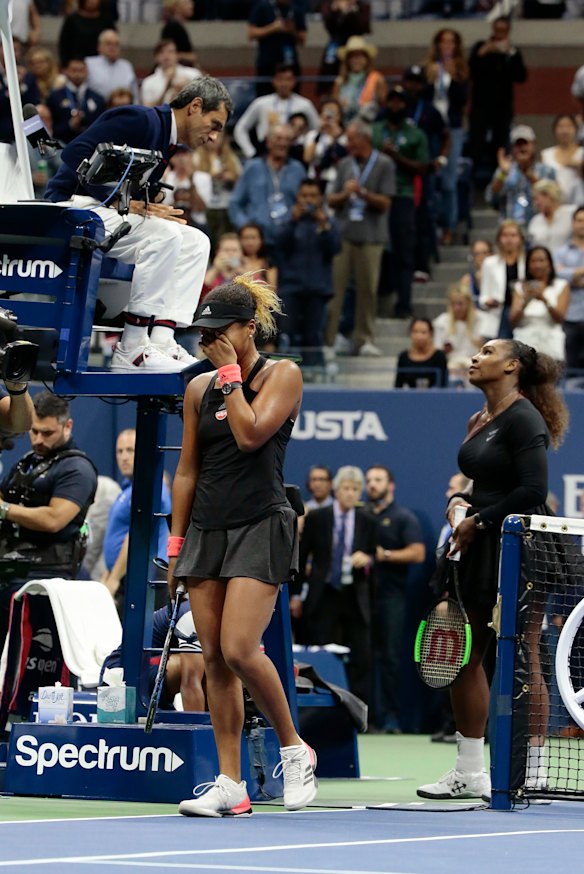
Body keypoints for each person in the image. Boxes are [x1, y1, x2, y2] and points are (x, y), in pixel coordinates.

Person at [168, 276, 317, 817]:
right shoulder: (196, 388)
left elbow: (251, 435)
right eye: (202, 333)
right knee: (212, 660)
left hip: (261, 523)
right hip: (207, 531)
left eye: (218, 331)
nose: (207, 341)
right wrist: (178, 542)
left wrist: (230, 375)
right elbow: (187, 470)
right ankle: (231, 782)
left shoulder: (284, 374)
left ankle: (294, 749)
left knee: (237, 647)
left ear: (248, 329)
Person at [417, 339, 569, 800]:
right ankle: (470, 770)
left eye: (486, 351)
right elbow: (479, 482)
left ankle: (539, 770)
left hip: (515, 543)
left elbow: (533, 489)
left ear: (511, 366)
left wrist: (480, 520)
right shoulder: (477, 420)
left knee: (523, 651)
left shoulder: (525, 419)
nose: (475, 357)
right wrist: (458, 502)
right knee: (464, 654)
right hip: (476, 543)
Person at [45, 77, 232, 373]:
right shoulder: (140, 119)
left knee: (198, 242)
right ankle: (131, 347)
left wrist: (149, 195)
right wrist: (121, 201)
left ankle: (162, 340)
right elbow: (74, 153)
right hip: (71, 206)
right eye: (214, 124)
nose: (213, 137)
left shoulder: (168, 141)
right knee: (165, 235)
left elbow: (130, 179)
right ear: (195, 106)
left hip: (104, 211)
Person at [0, 392, 98, 647]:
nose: (38, 440)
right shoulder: (25, 463)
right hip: (10, 572)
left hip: (46, 578)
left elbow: (54, 519)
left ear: (68, 426)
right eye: (34, 432)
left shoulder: (77, 468)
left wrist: (4, 509)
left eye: (47, 433)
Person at [292, 465, 377, 705]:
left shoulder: (367, 520)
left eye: (355, 489)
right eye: (346, 488)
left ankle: (359, 710)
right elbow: (302, 555)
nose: (351, 493)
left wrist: (368, 558)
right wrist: (296, 595)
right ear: (337, 490)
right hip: (323, 593)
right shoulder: (319, 517)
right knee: (321, 650)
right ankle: (322, 706)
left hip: (355, 594)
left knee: (361, 655)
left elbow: (373, 554)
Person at [325, 118, 394, 357]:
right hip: (344, 235)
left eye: (352, 139)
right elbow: (331, 200)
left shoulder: (384, 164)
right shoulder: (344, 164)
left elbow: (386, 202)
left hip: (371, 237)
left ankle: (364, 339)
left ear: (365, 139)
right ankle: (329, 341)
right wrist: (346, 194)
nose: (348, 143)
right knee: (335, 290)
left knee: (368, 291)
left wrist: (362, 193)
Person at [364, 465, 425, 734]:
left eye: (378, 480)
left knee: (390, 658)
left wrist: (383, 555)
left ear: (390, 485)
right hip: (361, 598)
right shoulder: (360, 515)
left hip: (392, 597)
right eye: (369, 480)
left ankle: (390, 718)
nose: (372, 485)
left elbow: (417, 553)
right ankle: (366, 717)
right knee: (363, 659)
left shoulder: (403, 517)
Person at [373, 84, 430, 319]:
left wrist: (395, 156)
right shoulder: (376, 130)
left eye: (400, 101)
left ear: (405, 105)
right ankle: (379, 298)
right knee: (376, 251)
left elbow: (423, 167)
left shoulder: (415, 134)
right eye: (391, 101)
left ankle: (404, 303)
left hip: (402, 196)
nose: (395, 105)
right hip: (375, 197)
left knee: (404, 251)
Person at [275, 178, 341, 365]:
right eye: (304, 195)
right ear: (297, 197)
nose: (308, 200)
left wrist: (325, 226)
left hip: (318, 290)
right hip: (291, 289)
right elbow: (278, 244)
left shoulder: (328, 222)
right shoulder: (288, 220)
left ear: (320, 198)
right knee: (288, 336)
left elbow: (335, 248)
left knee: (313, 337)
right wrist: (292, 222)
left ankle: (314, 377)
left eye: (313, 196)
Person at [102, 428, 172, 602]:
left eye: (130, 450)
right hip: (128, 576)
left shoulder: (152, 489)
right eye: (120, 451)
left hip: (147, 575)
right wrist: (109, 573)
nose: (124, 457)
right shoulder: (128, 490)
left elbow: (138, 534)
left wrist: (114, 578)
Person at [101, 599, 206, 711]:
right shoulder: (193, 615)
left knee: (214, 664)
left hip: (153, 667)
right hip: (120, 673)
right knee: (201, 666)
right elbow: (190, 683)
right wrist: (201, 726)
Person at [422, 28, 469, 245]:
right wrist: (430, 82)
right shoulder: (430, 68)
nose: (447, 46)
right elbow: (421, 98)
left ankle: (449, 226)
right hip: (431, 129)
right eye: (443, 42)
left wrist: (453, 78)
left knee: (449, 182)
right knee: (431, 180)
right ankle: (432, 225)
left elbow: (461, 101)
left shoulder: (460, 71)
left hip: (452, 129)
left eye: (451, 42)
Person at [467, 16, 528, 181]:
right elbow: (469, 72)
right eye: (497, 30)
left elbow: (521, 76)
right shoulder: (481, 47)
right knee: (476, 145)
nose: (500, 34)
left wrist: (510, 53)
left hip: (502, 108)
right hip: (481, 106)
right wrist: (483, 52)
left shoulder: (512, 52)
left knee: (500, 146)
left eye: (503, 31)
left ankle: (498, 182)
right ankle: (470, 181)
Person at [228, 124, 305, 251]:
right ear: (268, 142)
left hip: (290, 238)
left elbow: (305, 200)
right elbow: (235, 203)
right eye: (279, 138)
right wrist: (246, 227)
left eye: (287, 139)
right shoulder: (253, 168)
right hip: (258, 242)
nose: (283, 144)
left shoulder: (298, 170)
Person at [233, 65, 319, 160]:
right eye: (280, 79)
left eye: (287, 79)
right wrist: (251, 152)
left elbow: (317, 130)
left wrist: (308, 147)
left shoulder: (305, 105)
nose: (284, 84)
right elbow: (240, 129)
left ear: (294, 82)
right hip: (265, 152)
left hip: (295, 154)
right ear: (274, 81)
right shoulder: (261, 103)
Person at [487, 125, 556, 227]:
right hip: (511, 231)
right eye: (518, 145)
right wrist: (502, 174)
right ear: (512, 148)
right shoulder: (504, 170)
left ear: (533, 145)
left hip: (540, 228)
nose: (522, 148)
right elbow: (491, 199)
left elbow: (553, 200)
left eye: (525, 143)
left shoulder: (546, 171)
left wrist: (528, 173)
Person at [510, 246, 570, 361]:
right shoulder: (519, 287)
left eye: (541, 260)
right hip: (525, 341)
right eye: (533, 261)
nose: (537, 265)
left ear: (550, 263)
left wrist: (544, 299)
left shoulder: (561, 285)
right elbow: (513, 322)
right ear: (528, 265)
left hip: (551, 343)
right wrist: (526, 301)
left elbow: (559, 318)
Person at [478, 219, 526, 341]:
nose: (509, 239)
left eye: (513, 235)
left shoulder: (527, 261)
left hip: (522, 311)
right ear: (499, 238)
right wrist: (488, 302)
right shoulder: (489, 263)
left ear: (520, 238)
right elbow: (483, 296)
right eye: (505, 235)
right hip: (499, 311)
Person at [248, 0, 307, 96]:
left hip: (289, 62)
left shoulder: (296, 9)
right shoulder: (263, 7)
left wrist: (292, 30)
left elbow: (303, 39)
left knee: (293, 96)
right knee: (264, 96)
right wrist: (272, 28)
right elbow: (251, 34)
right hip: (267, 63)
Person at [193, 137, 242, 246]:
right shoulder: (197, 157)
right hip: (207, 207)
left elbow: (241, 182)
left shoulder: (231, 158)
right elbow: (194, 178)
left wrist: (231, 178)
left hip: (227, 206)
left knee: (226, 239)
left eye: (220, 137)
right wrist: (213, 176)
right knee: (208, 241)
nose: (215, 140)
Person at [46, 57, 106, 144]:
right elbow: (50, 128)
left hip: (90, 145)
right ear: (66, 71)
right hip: (62, 144)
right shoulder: (55, 97)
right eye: (74, 70)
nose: (77, 74)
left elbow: (101, 127)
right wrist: (69, 125)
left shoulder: (97, 98)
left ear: (87, 72)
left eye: (81, 70)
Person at [331, 36, 387, 127]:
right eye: (353, 57)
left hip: (369, 125)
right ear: (347, 60)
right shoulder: (339, 82)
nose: (356, 60)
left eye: (360, 56)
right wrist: (340, 105)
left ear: (367, 59)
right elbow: (333, 106)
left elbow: (384, 106)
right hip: (344, 124)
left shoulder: (377, 79)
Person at [433, 283, 482, 386]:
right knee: (453, 369)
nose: (457, 308)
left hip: (473, 363)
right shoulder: (441, 322)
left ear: (468, 303)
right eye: (453, 304)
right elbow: (437, 350)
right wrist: (444, 350)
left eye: (460, 304)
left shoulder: (480, 320)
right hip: (451, 363)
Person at [554, 206, 584, 372]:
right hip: (569, 315)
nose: (582, 224)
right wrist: (578, 273)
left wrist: (570, 273)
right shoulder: (561, 252)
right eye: (579, 220)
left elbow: (565, 274)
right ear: (573, 223)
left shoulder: (563, 257)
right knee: (569, 368)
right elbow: (557, 275)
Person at [303, 97, 348, 195]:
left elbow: (343, 160)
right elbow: (307, 158)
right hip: (314, 180)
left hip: (334, 180)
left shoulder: (345, 137)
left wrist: (336, 137)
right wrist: (319, 132)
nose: (329, 116)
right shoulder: (313, 135)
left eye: (333, 113)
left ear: (339, 116)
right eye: (327, 112)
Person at [140, 40, 201, 107]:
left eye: (170, 51)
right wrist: (167, 87)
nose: (166, 55)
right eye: (161, 52)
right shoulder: (148, 82)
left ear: (177, 55)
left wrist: (187, 88)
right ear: (156, 57)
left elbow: (204, 100)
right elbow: (148, 109)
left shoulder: (193, 74)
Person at [85, 30, 139, 105]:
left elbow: (135, 95)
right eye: (108, 44)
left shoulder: (126, 66)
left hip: (122, 110)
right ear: (99, 46)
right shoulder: (89, 64)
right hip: (95, 110)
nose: (113, 47)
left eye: (116, 44)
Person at [540, 114, 584, 205]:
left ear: (575, 129)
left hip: (579, 206)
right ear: (554, 130)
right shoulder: (546, 154)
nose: (565, 131)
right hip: (554, 206)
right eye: (561, 126)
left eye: (569, 126)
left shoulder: (582, 153)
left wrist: (579, 165)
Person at [57, 0, 115, 68]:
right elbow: (64, 43)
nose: (92, 1)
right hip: (77, 65)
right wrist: (65, 64)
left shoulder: (106, 20)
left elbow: (113, 39)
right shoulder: (72, 19)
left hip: (101, 65)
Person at [395, 318, 448, 389]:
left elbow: (443, 385)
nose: (419, 336)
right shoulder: (403, 357)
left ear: (430, 334)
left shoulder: (439, 356)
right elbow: (398, 387)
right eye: (415, 332)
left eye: (423, 332)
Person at [527, 179, 576, 250]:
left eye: (537, 199)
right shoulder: (535, 221)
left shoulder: (572, 213)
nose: (535, 204)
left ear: (548, 196)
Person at [202, 232, 244, 297]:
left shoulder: (247, 272)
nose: (230, 254)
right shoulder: (207, 272)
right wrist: (215, 269)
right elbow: (201, 292)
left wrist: (242, 272)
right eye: (226, 250)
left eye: (234, 250)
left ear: (241, 253)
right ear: (218, 252)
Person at [160, 0, 198, 68]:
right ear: (176, 7)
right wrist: (189, 56)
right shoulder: (173, 27)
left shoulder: (177, 26)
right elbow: (167, 53)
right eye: (187, 3)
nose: (191, 6)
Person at [460, 239, 493, 310]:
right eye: (477, 254)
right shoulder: (467, 280)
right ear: (472, 257)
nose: (481, 257)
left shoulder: (500, 276)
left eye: (485, 253)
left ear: (491, 254)